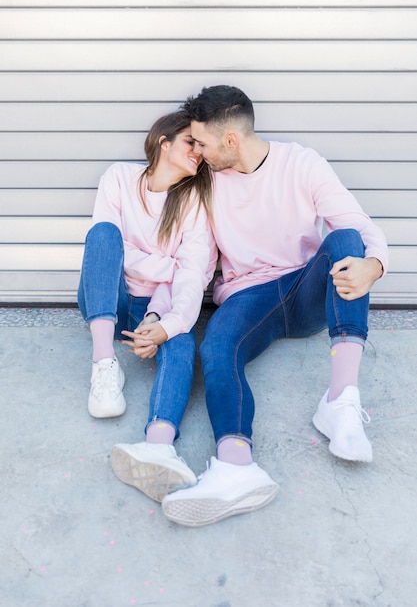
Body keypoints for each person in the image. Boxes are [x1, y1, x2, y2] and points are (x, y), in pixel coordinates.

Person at [161, 85, 389, 527]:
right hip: (248, 297)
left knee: (346, 241)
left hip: (304, 288)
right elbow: (195, 264)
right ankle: (235, 465)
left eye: (202, 143)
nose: (198, 153)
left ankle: (341, 402)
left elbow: (359, 225)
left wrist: (374, 267)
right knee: (216, 349)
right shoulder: (206, 184)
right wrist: (173, 320)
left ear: (230, 141)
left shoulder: (301, 164)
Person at [77, 111, 217, 503]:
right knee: (104, 234)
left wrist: (160, 321)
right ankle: (104, 366)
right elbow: (106, 251)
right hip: (109, 295)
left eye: (202, 148)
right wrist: (166, 266)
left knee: (183, 343)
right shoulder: (119, 179)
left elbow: (190, 277)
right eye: (191, 142)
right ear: (164, 141)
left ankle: (159, 442)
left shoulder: (193, 203)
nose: (199, 153)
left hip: (157, 303)